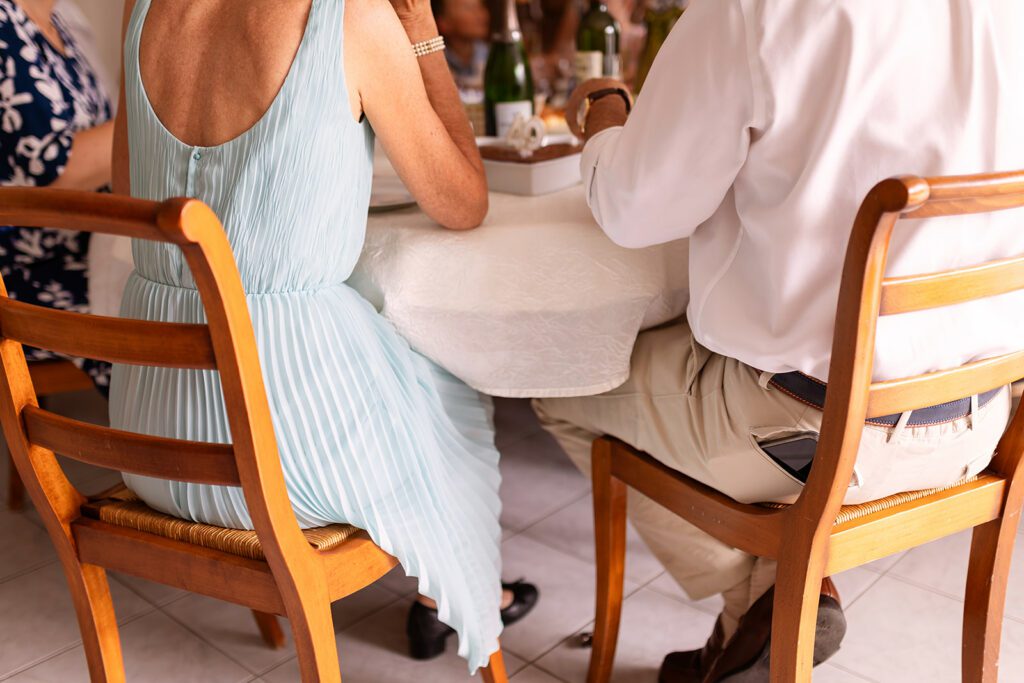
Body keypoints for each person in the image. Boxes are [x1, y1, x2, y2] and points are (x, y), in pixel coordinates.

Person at [534, 0, 1024, 680]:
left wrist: (607, 117)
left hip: (811, 439)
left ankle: (766, 595)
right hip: (982, 421)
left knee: (558, 380)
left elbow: (632, 207)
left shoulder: (751, 9)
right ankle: (763, 615)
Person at [109, 0, 536, 671]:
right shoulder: (352, 19)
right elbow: (464, 203)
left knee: (405, 373)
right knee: (444, 382)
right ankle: (462, 598)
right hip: (275, 460)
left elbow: (134, 196)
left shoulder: (143, 10)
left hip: (152, 439)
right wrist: (422, 36)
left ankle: (457, 589)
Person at [0, 0, 113, 391]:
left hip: (79, 253)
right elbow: (53, 170)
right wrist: (154, 116)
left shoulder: (61, 23)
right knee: (159, 313)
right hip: (23, 274)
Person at [432, 0, 490, 91]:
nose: (481, 15)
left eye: (480, 7)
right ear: (444, 23)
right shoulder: (435, 63)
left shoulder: (491, 56)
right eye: (469, 8)